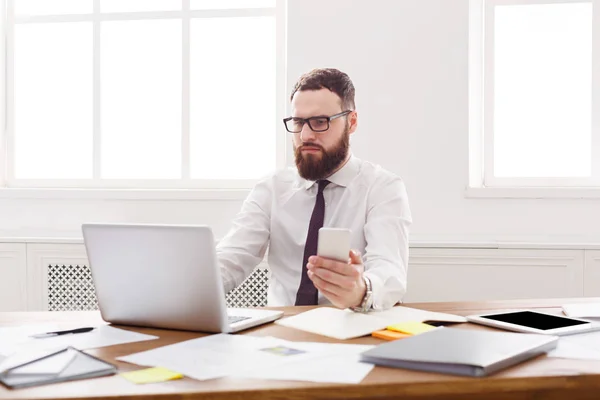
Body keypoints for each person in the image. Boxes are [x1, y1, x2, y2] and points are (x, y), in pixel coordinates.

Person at [217, 68, 412, 311]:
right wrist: (186, 287)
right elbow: (231, 259)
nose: (306, 135)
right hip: (279, 333)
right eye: (298, 122)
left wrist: (361, 291)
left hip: (349, 330)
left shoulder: (382, 188)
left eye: (320, 122)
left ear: (351, 122)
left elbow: (389, 271)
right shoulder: (271, 188)